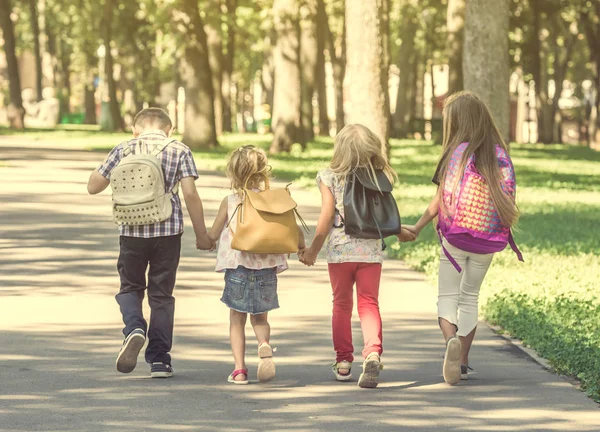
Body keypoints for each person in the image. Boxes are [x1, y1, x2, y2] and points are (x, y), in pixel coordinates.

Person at [87, 108, 213, 378]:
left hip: (131, 230)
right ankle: (159, 361)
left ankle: (134, 327)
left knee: (130, 287)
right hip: (168, 232)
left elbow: (93, 186)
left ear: (136, 129)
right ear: (170, 129)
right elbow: (190, 193)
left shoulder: (123, 148)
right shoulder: (179, 149)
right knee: (161, 296)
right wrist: (202, 235)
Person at [404, 91, 520, 385]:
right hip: (487, 239)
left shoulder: (456, 153)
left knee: (447, 295)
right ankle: (464, 361)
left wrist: (417, 227)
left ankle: (450, 341)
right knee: (470, 297)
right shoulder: (498, 153)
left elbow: (437, 201)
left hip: (455, 237)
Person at [299, 124, 415, 388]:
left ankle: (343, 363)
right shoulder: (379, 177)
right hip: (370, 252)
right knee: (369, 304)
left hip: (340, 252)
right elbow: (379, 213)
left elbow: (327, 217)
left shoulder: (328, 176)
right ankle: (372, 353)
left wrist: (313, 250)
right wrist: (397, 232)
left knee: (341, 305)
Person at [208, 145, 305, 385]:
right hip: (267, 270)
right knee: (260, 319)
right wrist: (303, 248)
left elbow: (213, 234)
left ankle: (240, 370)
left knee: (236, 319)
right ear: (264, 172)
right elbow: (295, 231)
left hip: (238, 269)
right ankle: (264, 344)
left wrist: (206, 240)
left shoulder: (231, 201)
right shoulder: (276, 201)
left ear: (232, 173)